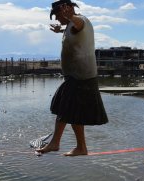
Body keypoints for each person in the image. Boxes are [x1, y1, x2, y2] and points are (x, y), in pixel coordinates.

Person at [36, 0, 108, 156]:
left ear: (66, 11)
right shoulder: (70, 25)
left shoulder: (80, 21)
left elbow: (78, 24)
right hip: (78, 75)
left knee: (63, 107)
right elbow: (73, 28)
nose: (57, 19)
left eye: (57, 15)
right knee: (74, 112)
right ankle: (81, 147)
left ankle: (55, 143)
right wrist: (61, 29)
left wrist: (71, 17)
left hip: (80, 76)